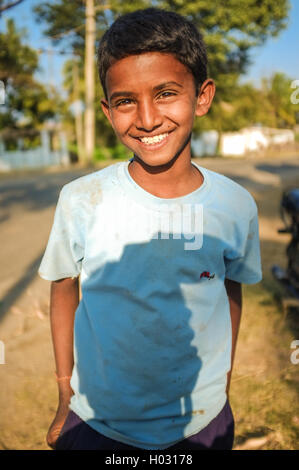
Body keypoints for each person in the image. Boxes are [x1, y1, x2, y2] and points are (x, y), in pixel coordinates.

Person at [38, 7, 262, 451]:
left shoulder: (235, 204)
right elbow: (64, 285)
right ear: (108, 110)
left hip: (201, 422)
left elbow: (229, 292)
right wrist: (66, 392)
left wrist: (223, 382)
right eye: (125, 101)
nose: (146, 118)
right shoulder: (82, 199)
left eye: (165, 93)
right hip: (99, 422)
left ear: (202, 96)